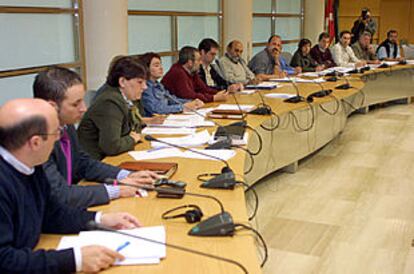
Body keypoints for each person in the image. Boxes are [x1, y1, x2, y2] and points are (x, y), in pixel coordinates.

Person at [0, 98, 142, 273]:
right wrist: (74, 259)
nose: (60, 137)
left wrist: (100, 219)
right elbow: (4, 260)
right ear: (35, 142)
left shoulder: (31, 165)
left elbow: (52, 214)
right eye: (56, 132)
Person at [33, 67, 158, 209]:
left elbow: (82, 163)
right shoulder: (37, 140)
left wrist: (125, 175)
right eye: (76, 104)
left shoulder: (65, 125)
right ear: (52, 107)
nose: (84, 108)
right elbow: (58, 193)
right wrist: (116, 190)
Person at [77, 56, 147, 160]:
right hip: (95, 163)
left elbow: (135, 128)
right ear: (122, 81)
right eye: (140, 82)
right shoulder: (110, 102)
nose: (145, 87)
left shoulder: (123, 97)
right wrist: (131, 139)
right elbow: (112, 146)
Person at [139, 52, 204, 117]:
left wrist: (192, 102)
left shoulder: (158, 85)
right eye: (156, 66)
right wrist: (183, 107)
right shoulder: (145, 88)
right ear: (146, 68)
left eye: (161, 65)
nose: (161, 68)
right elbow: (157, 109)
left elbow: (172, 99)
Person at [161, 46, 229, 103]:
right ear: (190, 62)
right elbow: (189, 96)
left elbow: (204, 88)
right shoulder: (178, 72)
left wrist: (218, 93)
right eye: (199, 60)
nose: (201, 62)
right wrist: (213, 98)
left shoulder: (192, 71)